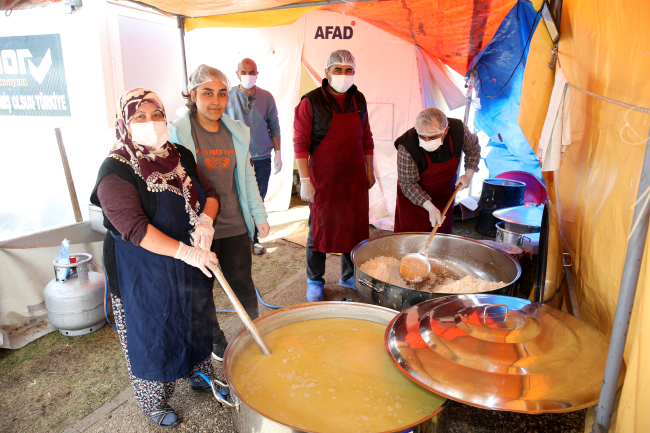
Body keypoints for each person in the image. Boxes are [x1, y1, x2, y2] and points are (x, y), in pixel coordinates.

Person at [91, 88, 224, 428]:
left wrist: (206, 221)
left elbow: (209, 193)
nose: (151, 123)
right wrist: (185, 251)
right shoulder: (115, 169)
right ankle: (154, 400)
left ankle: (198, 373)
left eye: (156, 115)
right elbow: (134, 228)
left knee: (195, 319)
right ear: (125, 122)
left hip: (190, 263)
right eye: (140, 117)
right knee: (152, 332)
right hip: (142, 270)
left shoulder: (179, 154)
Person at [168, 65, 269, 362]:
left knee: (243, 285)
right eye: (207, 93)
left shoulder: (235, 131)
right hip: (198, 230)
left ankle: (253, 333)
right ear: (193, 95)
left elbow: (247, 176)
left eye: (222, 93)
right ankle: (216, 342)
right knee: (202, 291)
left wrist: (258, 214)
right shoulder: (179, 132)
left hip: (235, 224)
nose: (216, 100)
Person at [293, 49, 375, 302]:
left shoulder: (358, 99)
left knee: (355, 228)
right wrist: (305, 180)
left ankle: (349, 276)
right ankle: (314, 279)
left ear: (354, 72)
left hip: (353, 178)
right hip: (324, 179)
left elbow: (366, 138)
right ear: (326, 72)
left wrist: (369, 171)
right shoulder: (310, 102)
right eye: (337, 69)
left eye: (348, 70)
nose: (342, 74)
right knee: (319, 229)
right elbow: (300, 144)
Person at [394, 108, 480, 234]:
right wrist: (429, 207)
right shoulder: (407, 145)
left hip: (445, 197)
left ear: (446, 130)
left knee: (441, 239)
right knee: (409, 240)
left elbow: (473, 148)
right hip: (414, 202)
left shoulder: (458, 130)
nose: (426, 141)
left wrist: (468, 174)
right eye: (422, 137)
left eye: (432, 137)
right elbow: (408, 184)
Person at [226, 58, 281, 255]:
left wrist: (278, 153)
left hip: (261, 158)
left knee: (258, 198)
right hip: (237, 157)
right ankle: (241, 238)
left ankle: (254, 238)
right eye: (244, 72)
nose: (248, 76)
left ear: (257, 73)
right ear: (237, 73)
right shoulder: (228, 96)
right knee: (237, 198)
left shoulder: (266, 97)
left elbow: (274, 125)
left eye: (252, 72)